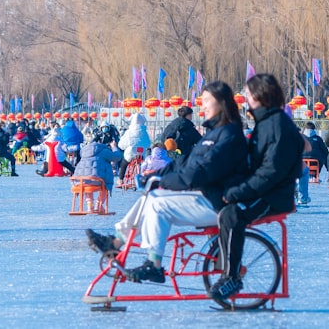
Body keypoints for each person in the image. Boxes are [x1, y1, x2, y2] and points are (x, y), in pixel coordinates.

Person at [86, 81, 249, 285]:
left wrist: (165, 180)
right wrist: (157, 174)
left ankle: (154, 264)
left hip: (218, 202)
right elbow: (185, 162)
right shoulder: (214, 133)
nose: (203, 106)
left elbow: (200, 172)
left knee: (159, 204)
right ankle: (116, 241)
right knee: (151, 196)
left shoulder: (228, 134)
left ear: (222, 103)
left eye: (207, 101)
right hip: (207, 195)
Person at [212, 73, 305, 303]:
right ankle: (224, 262)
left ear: (260, 96)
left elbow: (270, 171)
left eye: (248, 93)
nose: (245, 97)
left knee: (233, 214)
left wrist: (239, 191)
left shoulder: (277, 124)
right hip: (265, 189)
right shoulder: (266, 122)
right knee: (223, 208)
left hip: (274, 195)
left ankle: (231, 277)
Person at [118, 113, 152, 182]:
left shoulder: (129, 132)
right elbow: (148, 143)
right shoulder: (144, 132)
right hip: (142, 153)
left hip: (131, 152)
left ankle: (120, 179)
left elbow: (122, 144)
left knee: (124, 163)